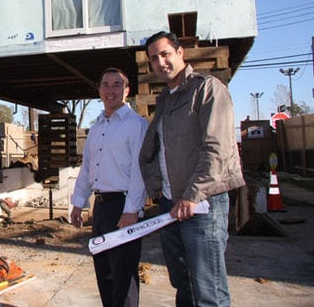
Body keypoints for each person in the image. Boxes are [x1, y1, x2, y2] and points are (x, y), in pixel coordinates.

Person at [139, 31, 246, 307]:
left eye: (165, 54)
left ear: (180, 53)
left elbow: (217, 149)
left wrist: (192, 195)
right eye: (154, 58)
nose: (160, 62)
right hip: (171, 204)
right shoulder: (166, 99)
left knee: (208, 287)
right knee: (183, 283)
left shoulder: (207, 89)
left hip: (201, 204)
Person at [70, 67, 148, 307]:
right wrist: (77, 203)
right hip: (101, 209)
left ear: (127, 90)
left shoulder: (136, 125)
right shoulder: (96, 128)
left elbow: (140, 171)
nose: (110, 90)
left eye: (117, 85)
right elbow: (87, 170)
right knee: (104, 274)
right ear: (99, 90)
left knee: (123, 277)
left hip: (123, 208)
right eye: (105, 85)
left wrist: (132, 210)